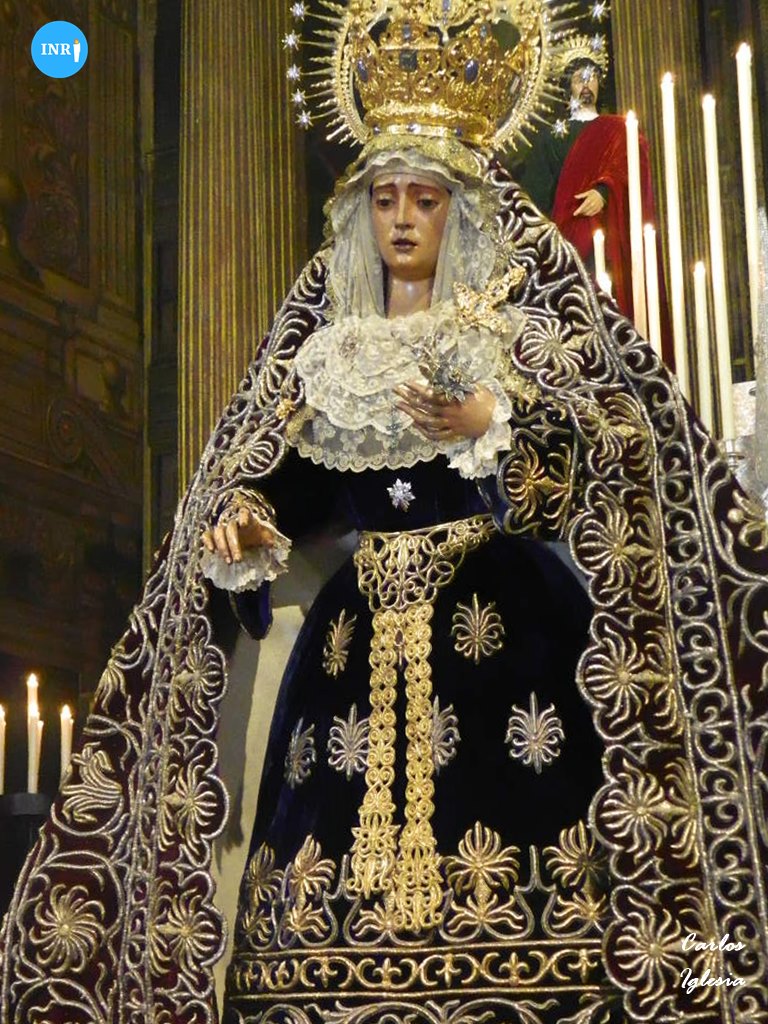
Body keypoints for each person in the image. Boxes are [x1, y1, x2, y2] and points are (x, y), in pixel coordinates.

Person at [2, 4, 767, 1024]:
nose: (403, 219)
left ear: (463, 213)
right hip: (353, 638)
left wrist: (493, 420)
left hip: (502, 623)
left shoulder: (509, 337)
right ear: (360, 214)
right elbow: (296, 481)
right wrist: (249, 516)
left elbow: (597, 459)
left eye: (426, 200)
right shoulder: (334, 354)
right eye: (385, 199)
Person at [517, 38, 662, 333]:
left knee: (613, 317)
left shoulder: (619, 129)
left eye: (592, 77)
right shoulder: (550, 139)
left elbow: (633, 166)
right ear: (567, 86)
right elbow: (534, 198)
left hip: (611, 243)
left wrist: (604, 191)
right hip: (567, 246)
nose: (586, 84)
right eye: (578, 78)